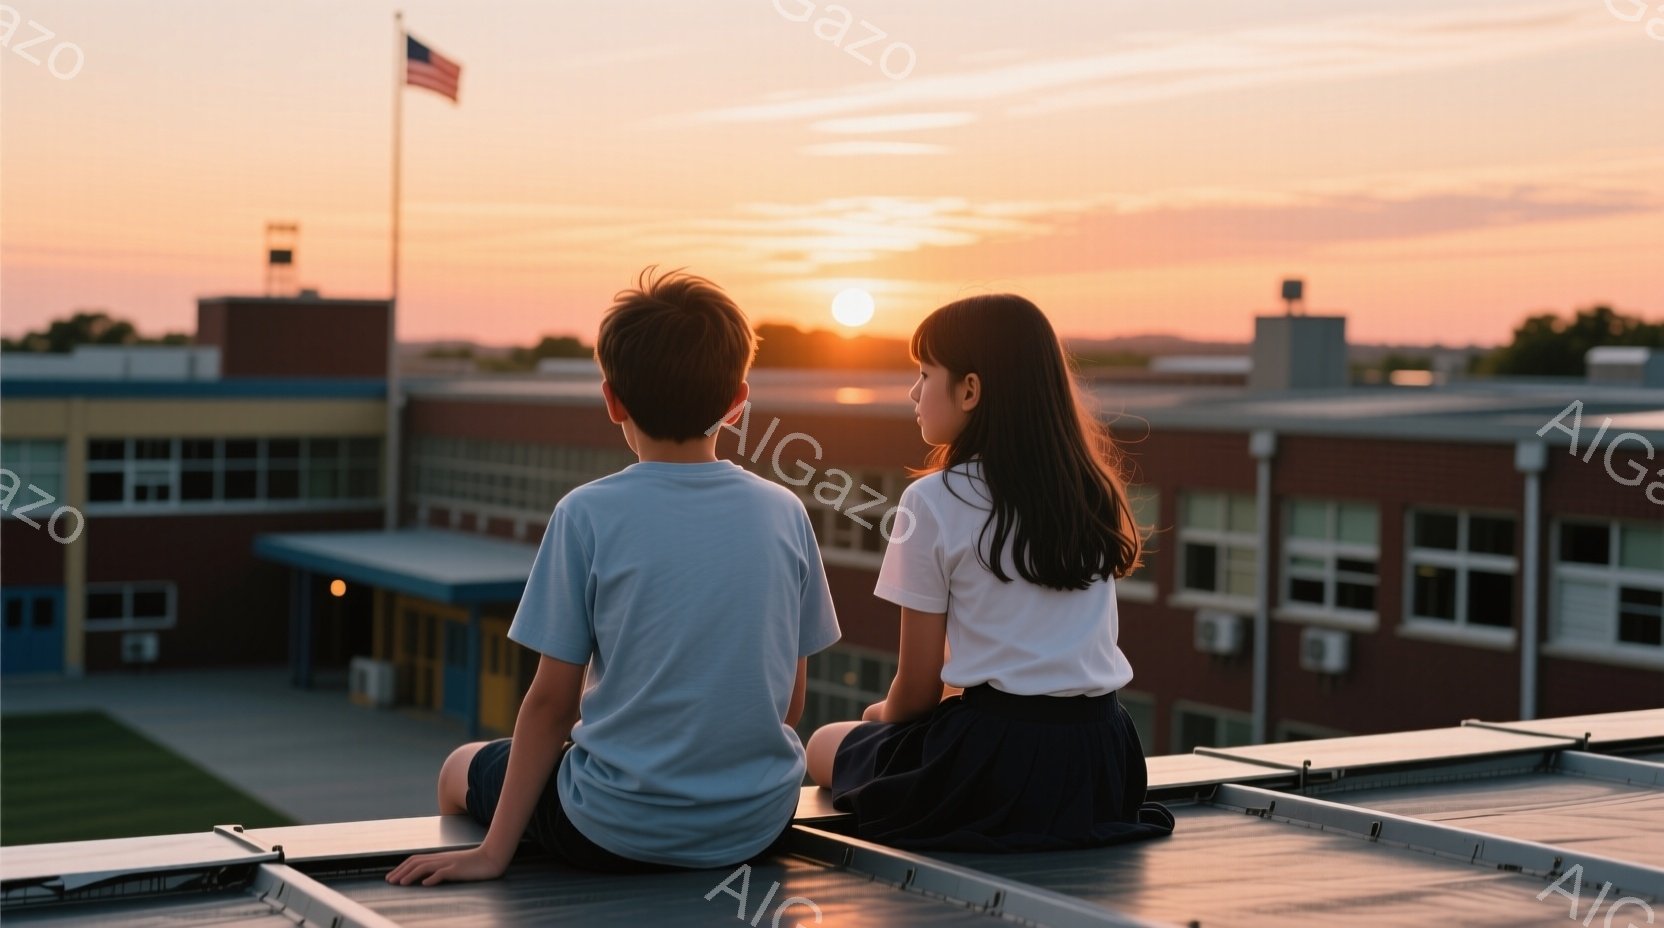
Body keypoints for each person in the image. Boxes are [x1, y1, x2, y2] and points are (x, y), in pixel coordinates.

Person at [388, 269, 841, 885]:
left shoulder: (586, 513)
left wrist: (494, 852)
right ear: (738, 401)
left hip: (614, 829)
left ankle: (494, 883)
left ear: (612, 399)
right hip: (756, 825)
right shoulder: (786, 511)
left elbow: (551, 704)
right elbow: (790, 702)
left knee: (457, 768)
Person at [804, 293, 1174, 852]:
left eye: (924, 374)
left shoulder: (932, 500)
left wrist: (879, 713)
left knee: (824, 744)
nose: (913, 393)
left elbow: (919, 690)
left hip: (994, 761)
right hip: (1102, 759)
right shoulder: (1089, 490)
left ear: (970, 390)